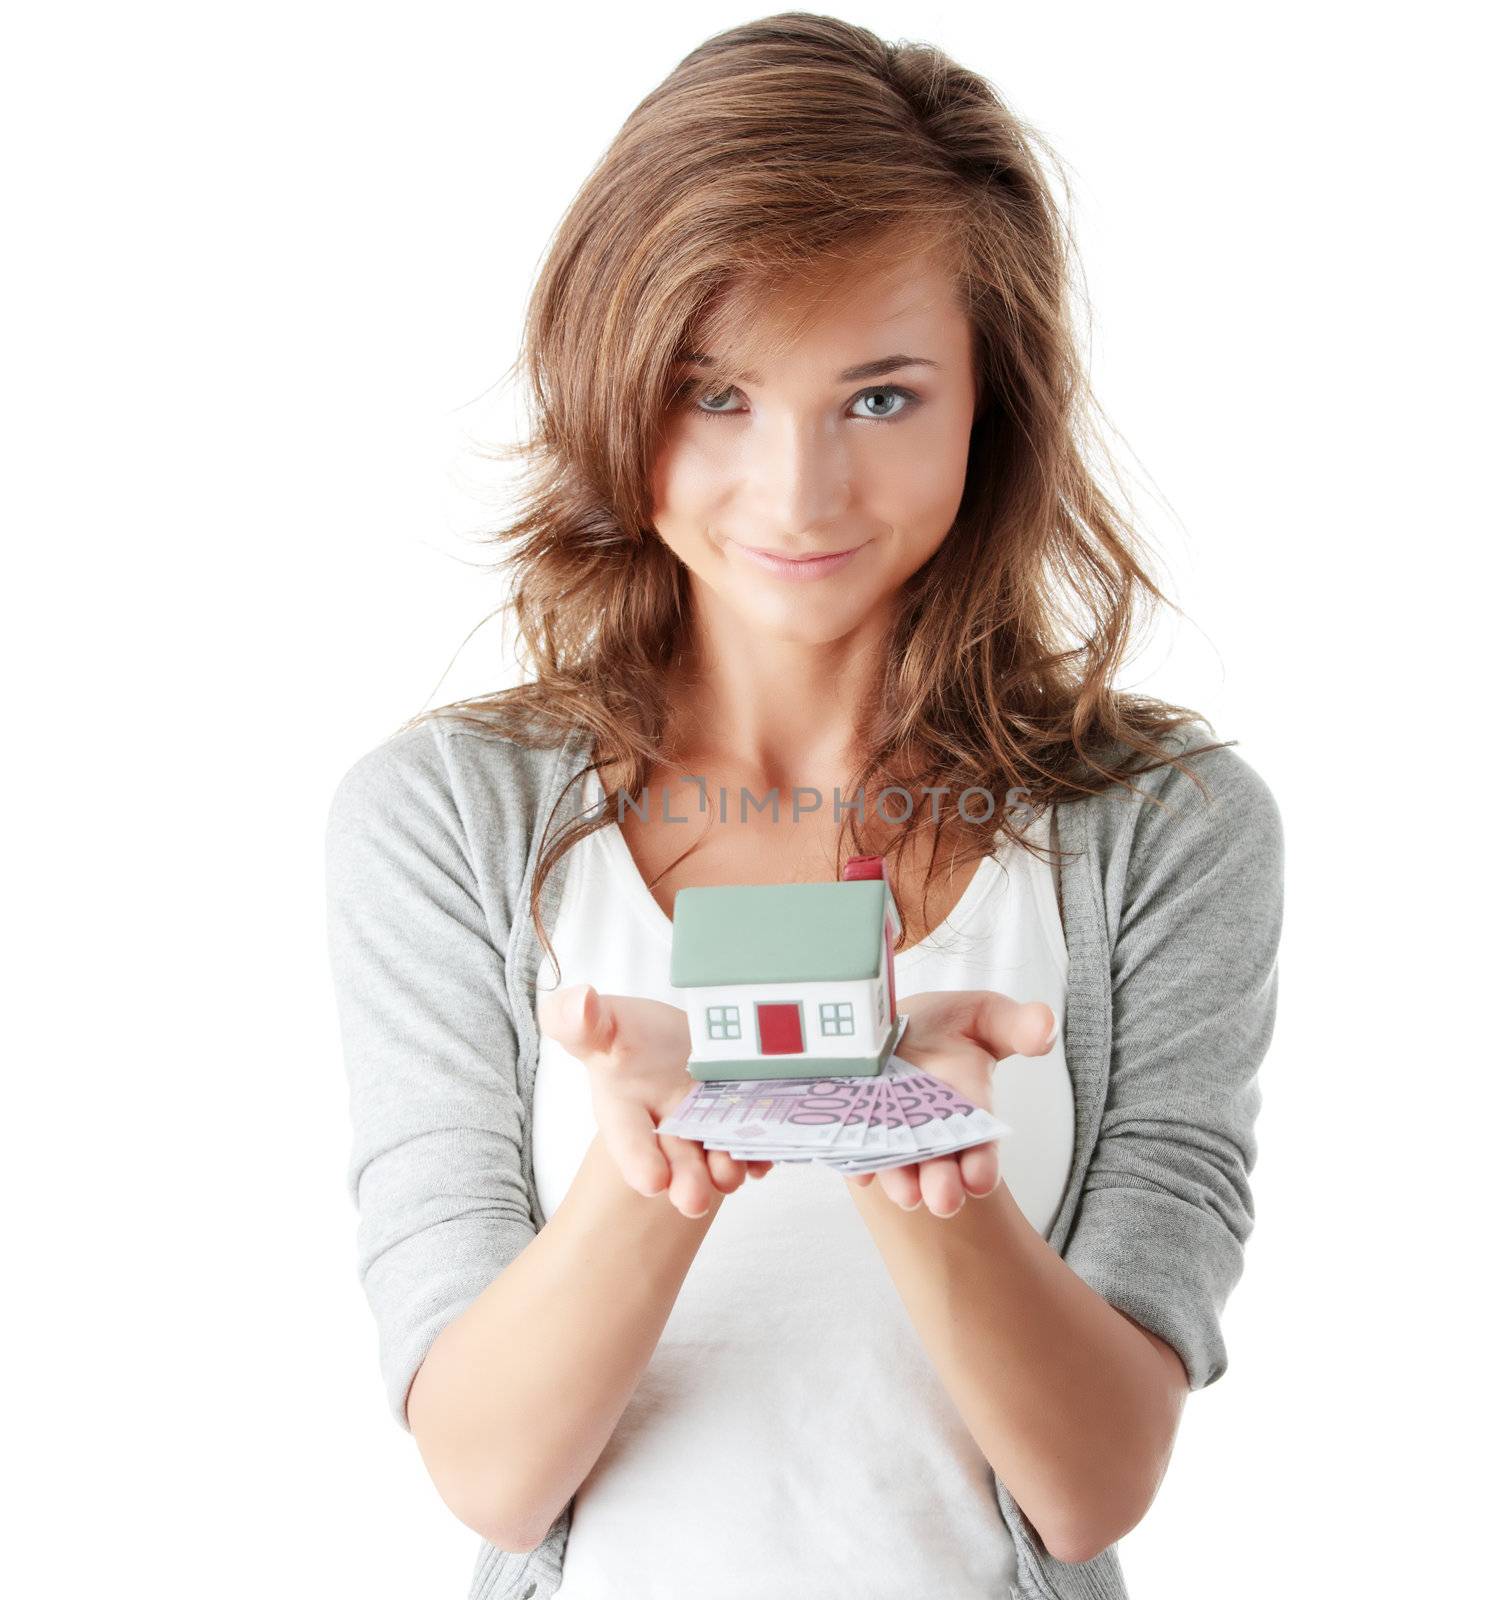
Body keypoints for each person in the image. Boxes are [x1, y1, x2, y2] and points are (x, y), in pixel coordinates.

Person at [323, 15, 1285, 1600]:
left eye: (883, 398)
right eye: (716, 395)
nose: (798, 495)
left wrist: (901, 1136)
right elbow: (487, 1468)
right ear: (614, 383)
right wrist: (666, 1158)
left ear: (994, 402)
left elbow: (1096, 1482)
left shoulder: (1165, 827)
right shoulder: (443, 821)